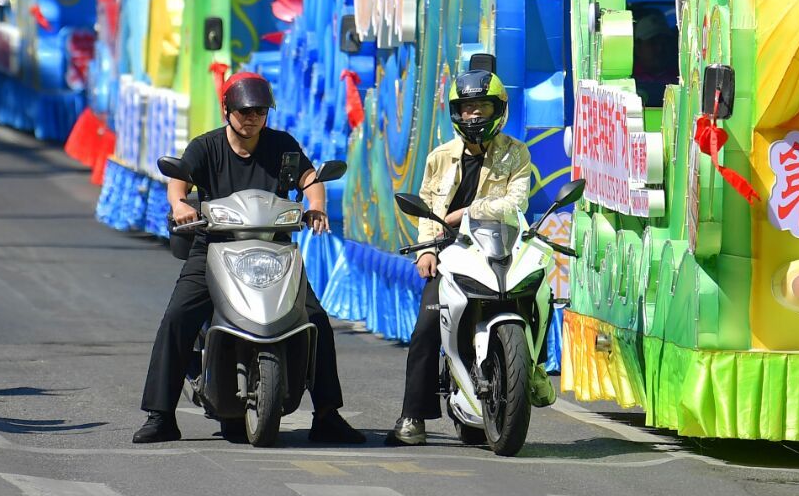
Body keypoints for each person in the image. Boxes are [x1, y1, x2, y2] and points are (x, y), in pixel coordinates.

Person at [132, 72, 362, 445]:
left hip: (275, 248)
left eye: (259, 111)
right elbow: (180, 180)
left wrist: (316, 205)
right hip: (213, 247)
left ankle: (327, 414)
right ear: (227, 111)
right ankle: (160, 415)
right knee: (177, 316)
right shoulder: (206, 147)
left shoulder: (280, 145)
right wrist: (178, 204)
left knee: (316, 319)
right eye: (244, 111)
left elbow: (308, 177)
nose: (252, 117)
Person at [387, 63, 533, 446]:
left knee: (534, 297)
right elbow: (427, 207)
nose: (473, 115)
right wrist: (428, 250)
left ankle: (528, 377)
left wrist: (466, 212)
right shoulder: (439, 156)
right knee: (425, 326)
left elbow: (516, 204)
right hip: (450, 251)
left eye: (481, 107)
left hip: (500, 248)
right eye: (466, 108)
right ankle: (412, 414)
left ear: (497, 109)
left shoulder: (517, 154)